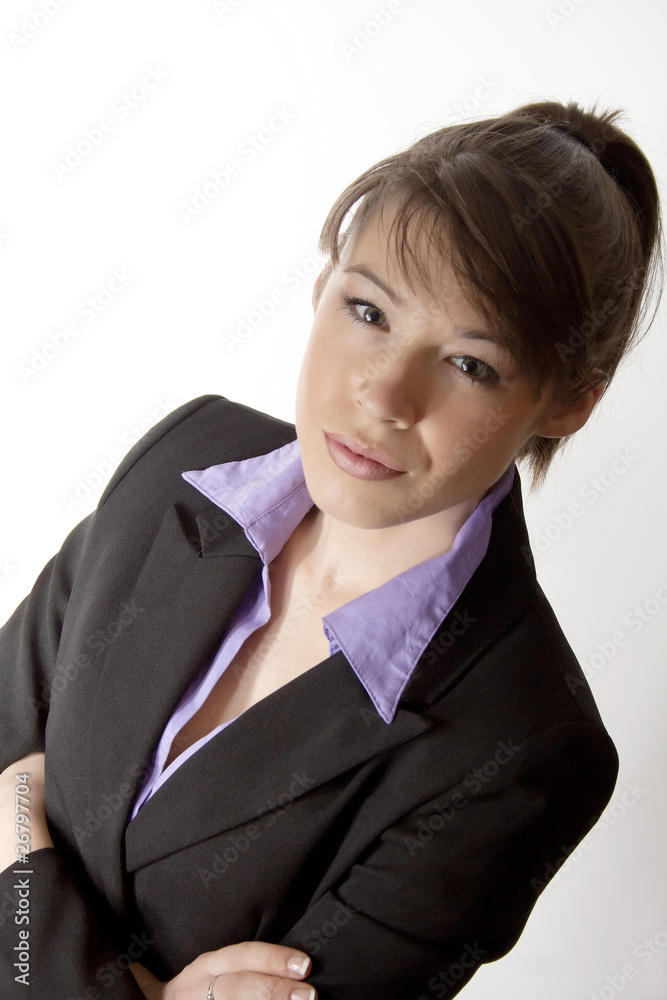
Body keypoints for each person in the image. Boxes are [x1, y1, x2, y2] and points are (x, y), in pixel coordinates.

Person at [0, 98, 661, 1000]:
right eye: (368, 310)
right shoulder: (184, 462)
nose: (383, 394)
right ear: (323, 287)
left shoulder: (528, 745)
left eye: (469, 363)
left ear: (568, 401)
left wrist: (16, 829)